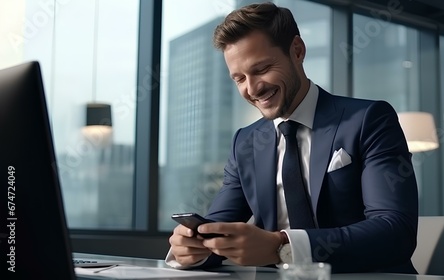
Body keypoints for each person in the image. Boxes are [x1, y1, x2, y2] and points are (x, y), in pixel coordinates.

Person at [166, 2, 418, 274]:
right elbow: (218, 228)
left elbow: (395, 231)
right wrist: (194, 247)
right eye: (239, 79)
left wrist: (282, 246)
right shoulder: (245, 143)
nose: (252, 89)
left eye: (261, 69)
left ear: (297, 51)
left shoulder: (369, 119)